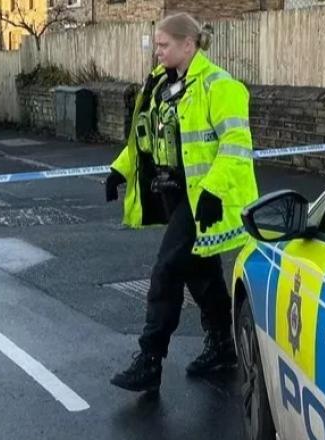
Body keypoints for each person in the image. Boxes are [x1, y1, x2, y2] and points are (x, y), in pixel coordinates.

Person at [106, 13, 258, 393]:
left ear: (188, 45)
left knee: (167, 270)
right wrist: (119, 170)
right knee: (201, 272)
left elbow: (236, 147)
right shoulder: (160, 84)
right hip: (173, 195)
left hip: (202, 197)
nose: (157, 51)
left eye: (164, 45)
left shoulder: (219, 86)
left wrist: (212, 190)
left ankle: (150, 360)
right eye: (156, 44)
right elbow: (145, 139)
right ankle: (224, 345)